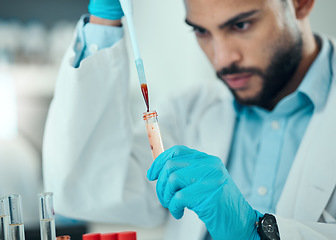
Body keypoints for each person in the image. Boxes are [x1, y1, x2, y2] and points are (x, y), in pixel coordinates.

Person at [43, 0, 336, 239]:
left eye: (241, 25)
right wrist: (103, 22)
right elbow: (86, 187)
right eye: (201, 31)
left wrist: (256, 231)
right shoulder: (191, 112)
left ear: (300, 4)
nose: (222, 60)